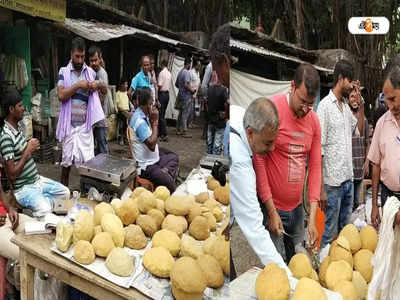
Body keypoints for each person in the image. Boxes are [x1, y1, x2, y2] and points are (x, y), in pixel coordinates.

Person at [252, 63, 321, 263]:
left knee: (300, 262)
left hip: (297, 209)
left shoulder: (314, 121)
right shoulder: (272, 111)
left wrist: (314, 218)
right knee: (276, 265)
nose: (306, 109)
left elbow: (315, 167)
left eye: (311, 104)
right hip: (272, 207)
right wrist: (271, 211)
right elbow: (260, 161)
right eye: (302, 101)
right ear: (292, 86)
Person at [231, 98, 290, 273]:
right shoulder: (240, 164)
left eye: (273, 141)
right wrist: (287, 276)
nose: (272, 149)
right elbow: (255, 229)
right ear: (250, 133)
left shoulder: (241, 114)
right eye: (267, 143)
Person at [317, 60, 364, 249]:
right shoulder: (324, 106)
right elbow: (318, 149)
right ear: (340, 78)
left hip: (348, 180)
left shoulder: (345, 107)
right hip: (332, 183)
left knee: (346, 231)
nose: (351, 85)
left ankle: (341, 267)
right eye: (349, 81)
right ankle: (323, 267)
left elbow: (358, 130)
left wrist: (359, 104)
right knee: (329, 231)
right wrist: (320, 188)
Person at [0, 90, 70, 216]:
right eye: (20, 106)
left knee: (65, 193)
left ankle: (48, 205)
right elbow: (11, 175)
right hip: (24, 189)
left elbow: (19, 152)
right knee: (45, 210)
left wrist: (28, 146)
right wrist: (27, 151)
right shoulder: (6, 137)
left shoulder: (17, 127)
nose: (23, 108)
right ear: (11, 109)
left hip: (37, 181)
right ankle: (48, 208)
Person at [57, 37, 105, 187]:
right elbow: (61, 95)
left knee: (88, 166)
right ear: (71, 54)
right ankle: (64, 194)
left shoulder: (90, 72)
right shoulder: (63, 72)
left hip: (85, 127)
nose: (79, 60)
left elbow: (104, 92)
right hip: (69, 126)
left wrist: (98, 84)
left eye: (82, 57)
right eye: (77, 56)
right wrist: (78, 85)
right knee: (66, 165)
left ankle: (86, 194)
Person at [368, 58, 400, 229]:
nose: (390, 105)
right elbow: (376, 165)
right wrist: (374, 205)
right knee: (390, 245)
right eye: (386, 100)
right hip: (388, 196)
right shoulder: (382, 123)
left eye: (393, 99)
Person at [129, 88, 179, 193]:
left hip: (153, 159)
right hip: (146, 166)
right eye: (152, 103)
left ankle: (165, 172)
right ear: (147, 104)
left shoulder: (144, 114)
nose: (153, 106)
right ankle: (164, 175)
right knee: (171, 185)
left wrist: (152, 121)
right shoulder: (139, 121)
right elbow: (151, 146)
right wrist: (155, 122)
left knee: (174, 157)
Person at [348, 83, 370, 211]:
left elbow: (367, 142)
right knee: (348, 204)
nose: (355, 100)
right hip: (348, 170)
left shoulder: (364, 120)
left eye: (357, 97)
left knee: (357, 203)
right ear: (347, 99)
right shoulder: (346, 118)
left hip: (359, 169)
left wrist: (366, 162)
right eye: (352, 97)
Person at [88, 45, 109, 155]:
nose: (94, 63)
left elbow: (102, 97)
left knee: (102, 145)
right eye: (91, 61)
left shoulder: (102, 74)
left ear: (100, 59)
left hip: (99, 118)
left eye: (95, 60)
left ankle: (106, 170)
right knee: (92, 146)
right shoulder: (89, 72)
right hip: (91, 118)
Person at [206, 81, 228, 155]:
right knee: (217, 145)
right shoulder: (224, 90)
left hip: (211, 118)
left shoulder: (210, 88)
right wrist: (226, 113)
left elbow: (207, 102)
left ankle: (208, 159)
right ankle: (213, 162)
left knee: (209, 142)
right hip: (219, 120)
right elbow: (227, 103)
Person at [176, 58, 195, 138]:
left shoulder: (180, 72)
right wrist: (192, 90)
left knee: (180, 113)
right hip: (186, 96)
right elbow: (186, 84)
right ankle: (184, 131)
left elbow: (176, 84)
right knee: (185, 114)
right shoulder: (186, 72)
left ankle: (178, 129)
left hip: (180, 95)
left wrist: (181, 89)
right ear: (188, 64)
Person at [157, 60, 172, 142]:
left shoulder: (161, 73)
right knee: (162, 113)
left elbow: (159, 85)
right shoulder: (169, 73)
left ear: (162, 64)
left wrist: (156, 92)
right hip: (167, 94)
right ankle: (161, 133)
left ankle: (164, 134)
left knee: (161, 115)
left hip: (162, 94)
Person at [116, 78, 133, 145]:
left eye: (127, 84)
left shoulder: (127, 93)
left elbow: (130, 104)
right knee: (124, 119)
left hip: (127, 111)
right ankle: (122, 137)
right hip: (121, 111)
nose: (127, 86)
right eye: (125, 84)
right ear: (121, 85)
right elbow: (117, 106)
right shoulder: (118, 94)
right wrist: (124, 111)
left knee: (131, 116)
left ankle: (127, 137)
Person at [188, 60, 201, 128]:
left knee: (194, 110)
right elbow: (188, 83)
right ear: (195, 65)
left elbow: (198, 82)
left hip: (195, 94)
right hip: (190, 93)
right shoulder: (191, 72)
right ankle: (188, 123)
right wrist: (191, 90)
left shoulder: (198, 73)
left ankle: (191, 122)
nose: (200, 67)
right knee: (189, 109)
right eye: (198, 65)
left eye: (200, 65)